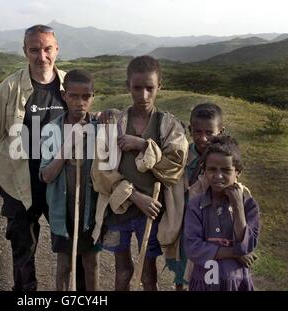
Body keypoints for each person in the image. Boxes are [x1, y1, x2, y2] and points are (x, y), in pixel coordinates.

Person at [0, 24, 102, 291]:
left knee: (74, 245)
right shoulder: (8, 89)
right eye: (35, 50)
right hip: (19, 182)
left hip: (62, 181)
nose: (42, 56)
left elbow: (85, 118)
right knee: (23, 248)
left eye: (47, 49)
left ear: (57, 50)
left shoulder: (69, 84)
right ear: (25, 51)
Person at [91, 56, 188, 291]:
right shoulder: (113, 123)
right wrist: (133, 195)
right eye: (137, 88)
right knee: (122, 271)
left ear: (159, 87)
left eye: (149, 88)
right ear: (128, 86)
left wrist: (144, 145)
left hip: (152, 213)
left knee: (148, 274)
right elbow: (101, 170)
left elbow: (175, 167)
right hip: (119, 209)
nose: (143, 95)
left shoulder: (169, 126)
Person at [40, 69, 100, 291]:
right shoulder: (51, 130)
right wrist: (67, 146)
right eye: (74, 96)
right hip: (62, 211)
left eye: (86, 97)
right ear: (64, 95)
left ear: (93, 97)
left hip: (90, 212)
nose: (80, 103)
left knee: (91, 263)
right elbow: (46, 175)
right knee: (64, 264)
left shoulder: (99, 129)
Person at [184, 136, 259, 291]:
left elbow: (247, 246)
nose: (218, 176)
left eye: (226, 170)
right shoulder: (195, 205)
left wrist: (238, 207)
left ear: (237, 172)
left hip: (236, 283)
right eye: (212, 169)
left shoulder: (248, 206)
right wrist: (234, 253)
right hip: (203, 283)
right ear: (204, 171)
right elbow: (193, 248)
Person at [166, 102, 224, 291]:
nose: (203, 138)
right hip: (185, 224)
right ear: (190, 130)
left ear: (220, 131)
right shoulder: (183, 154)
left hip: (212, 228)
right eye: (198, 132)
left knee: (209, 274)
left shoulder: (223, 158)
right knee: (181, 270)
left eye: (210, 133)